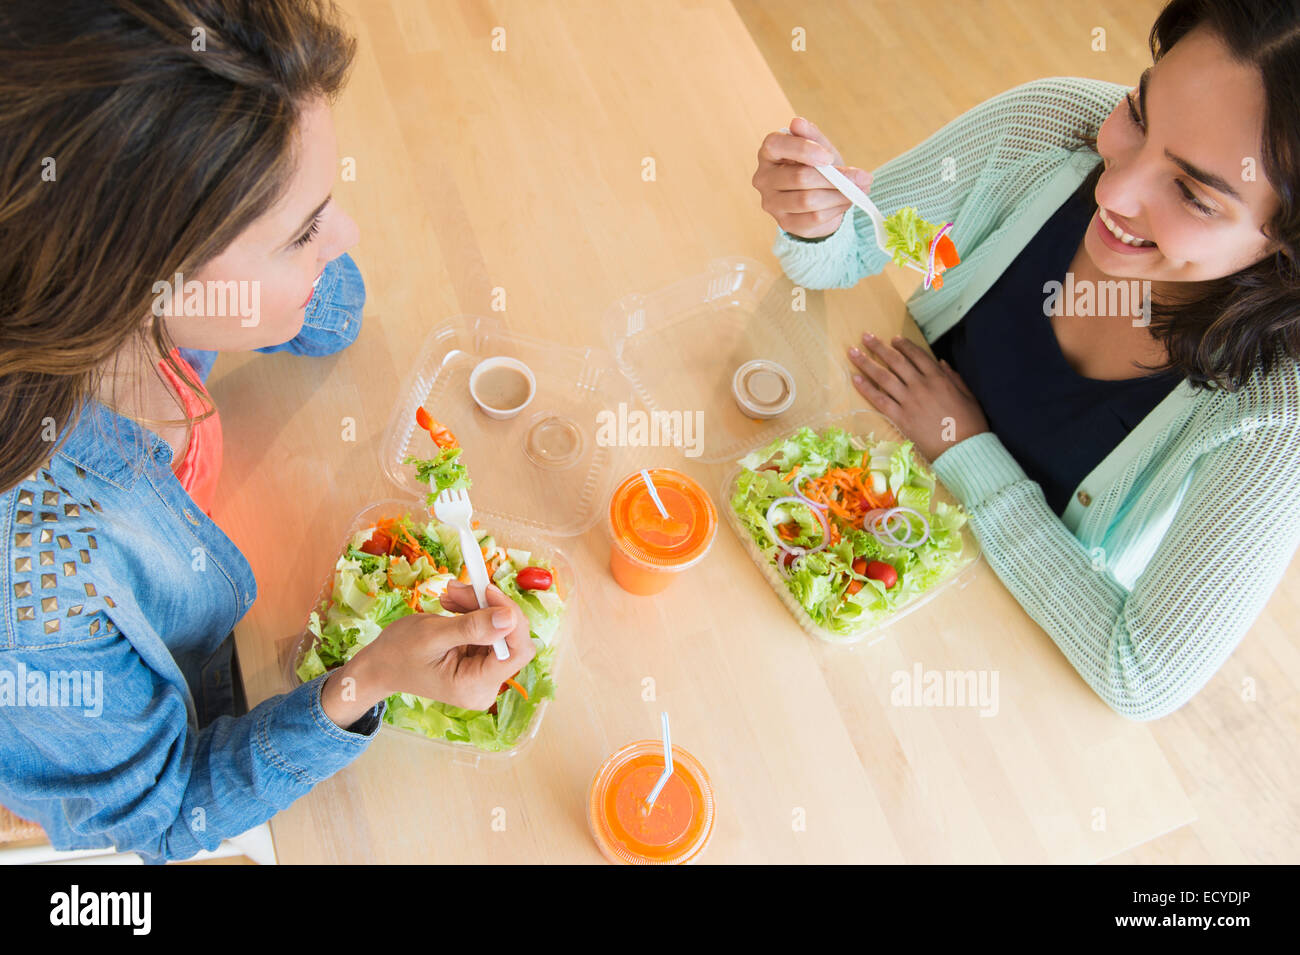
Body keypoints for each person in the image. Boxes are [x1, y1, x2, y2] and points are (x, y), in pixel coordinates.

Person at [0, 0, 533, 862]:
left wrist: (290, 245)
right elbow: (164, 820)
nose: (348, 234)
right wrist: (367, 679)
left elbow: (338, 312)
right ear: (137, 275)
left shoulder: (135, 307)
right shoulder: (38, 601)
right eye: (303, 231)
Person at [752, 0, 1300, 720]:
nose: (1113, 188)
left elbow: (1138, 672)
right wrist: (813, 218)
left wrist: (964, 444)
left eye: (1193, 194)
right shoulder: (1052, 128)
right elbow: (853, 247)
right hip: (839, 498)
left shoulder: (1272, 415)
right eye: (1139, 112)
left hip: (988, 646)